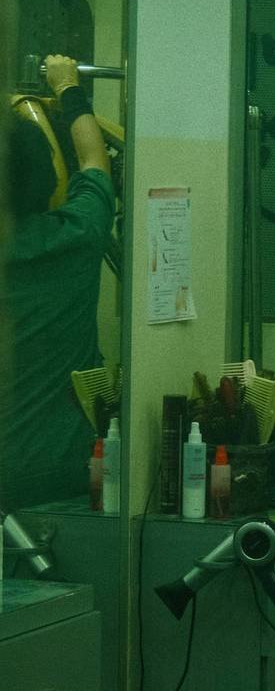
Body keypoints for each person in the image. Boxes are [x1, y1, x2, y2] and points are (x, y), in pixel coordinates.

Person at [1, 55, 115, 511]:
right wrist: (68, 87)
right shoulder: (80, 235)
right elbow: (93, 159)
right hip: (63, 480)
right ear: (49, 180)